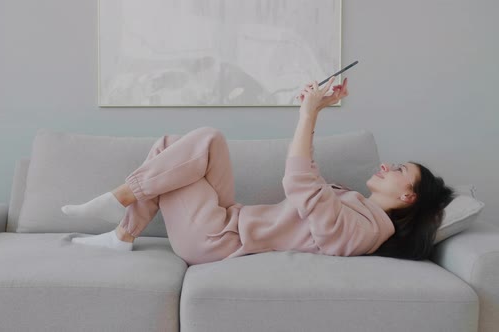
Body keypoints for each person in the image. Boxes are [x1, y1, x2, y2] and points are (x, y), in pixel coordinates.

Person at [60, 77, 456, 265]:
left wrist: (306, 114)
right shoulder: (356, 206)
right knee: (191, 143)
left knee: (196, 139)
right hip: (227, 220)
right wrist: (314, 114)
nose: (387, 166)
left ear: (408, 197)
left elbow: (299, 182)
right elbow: (309, 181)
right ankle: (123, 230)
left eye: (400, 169)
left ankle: (119, 208)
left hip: (215, 239)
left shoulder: (365, 230)